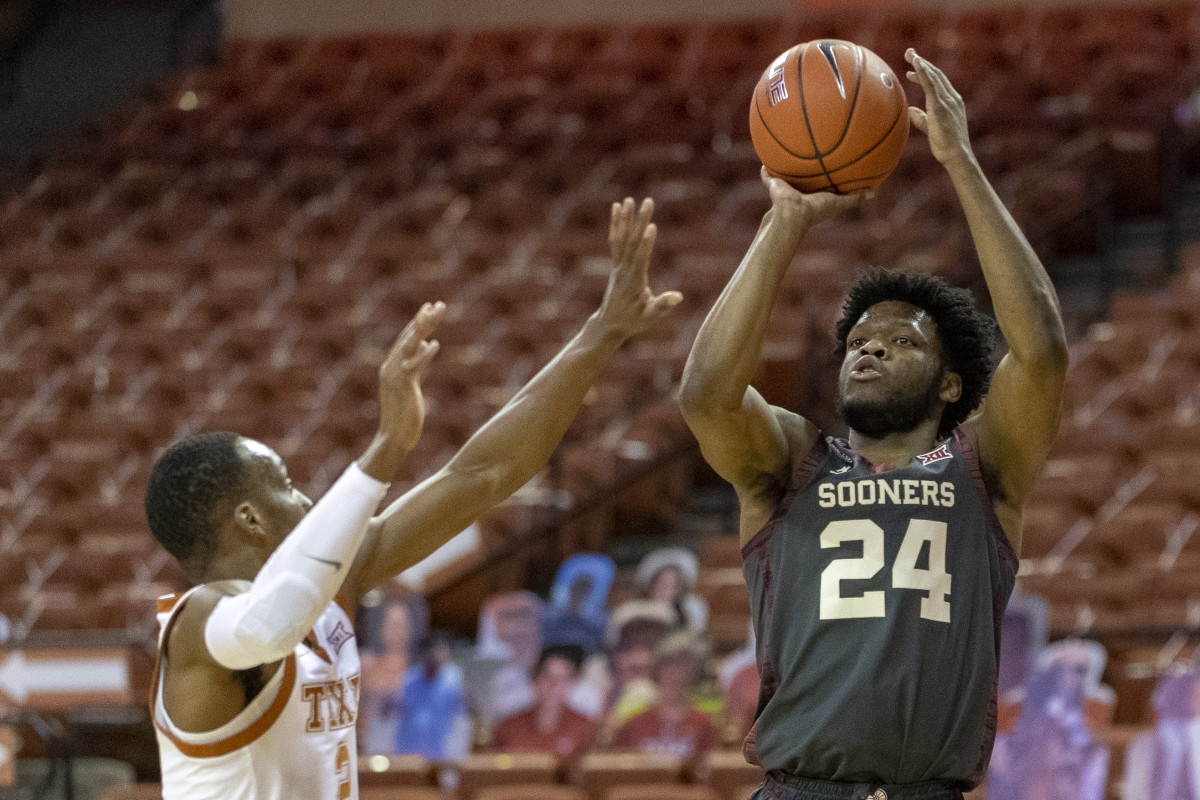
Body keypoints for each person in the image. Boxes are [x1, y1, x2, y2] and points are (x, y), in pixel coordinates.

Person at [144, 197, 681, 799]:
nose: (306, 500)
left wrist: (602, 332)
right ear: (249, 519)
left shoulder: (332, 587)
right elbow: (269, 626)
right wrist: (386, 449)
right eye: (288, 486)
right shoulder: (196, 624)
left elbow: (484, 474)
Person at [678, 49, 1068, 800]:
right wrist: (784, 222)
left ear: (951, 383)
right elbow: (706, 396)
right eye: (858, 341)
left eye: (900, 342)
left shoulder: (984, 466)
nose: (870, 348)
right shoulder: (792, 460)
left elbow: (1043, 352)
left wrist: (962, 165)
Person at [611, 631, 716, 760]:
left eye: (683, 667)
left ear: (694, 673)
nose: (675, 674)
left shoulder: (704, 724)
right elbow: (618, 765)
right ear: (657, 669)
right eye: (668, 665)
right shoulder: (634, 724)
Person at [489, 644, 594, 760]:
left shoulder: (585, 728)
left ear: (572, 683)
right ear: (534, 680)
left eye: (561, 679)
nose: (553, 685)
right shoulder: (509, 728)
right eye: (547, 676)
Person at [358, 596, 428, 755]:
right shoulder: (366, 667)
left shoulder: (420, 673)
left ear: (411, 629)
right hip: (372, 750)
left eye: (401, 625)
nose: (396, 632)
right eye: (391, 625)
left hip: (411, 751)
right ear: (381, 628)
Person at [392, 632, 469, 761]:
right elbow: (394, 711)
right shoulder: (409, 679)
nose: (434, 656)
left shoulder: (454, 678)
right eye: (430, 652)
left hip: (441, 753)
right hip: (409, 751)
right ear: (423, 653)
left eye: (440, 651)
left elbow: (467, 713)